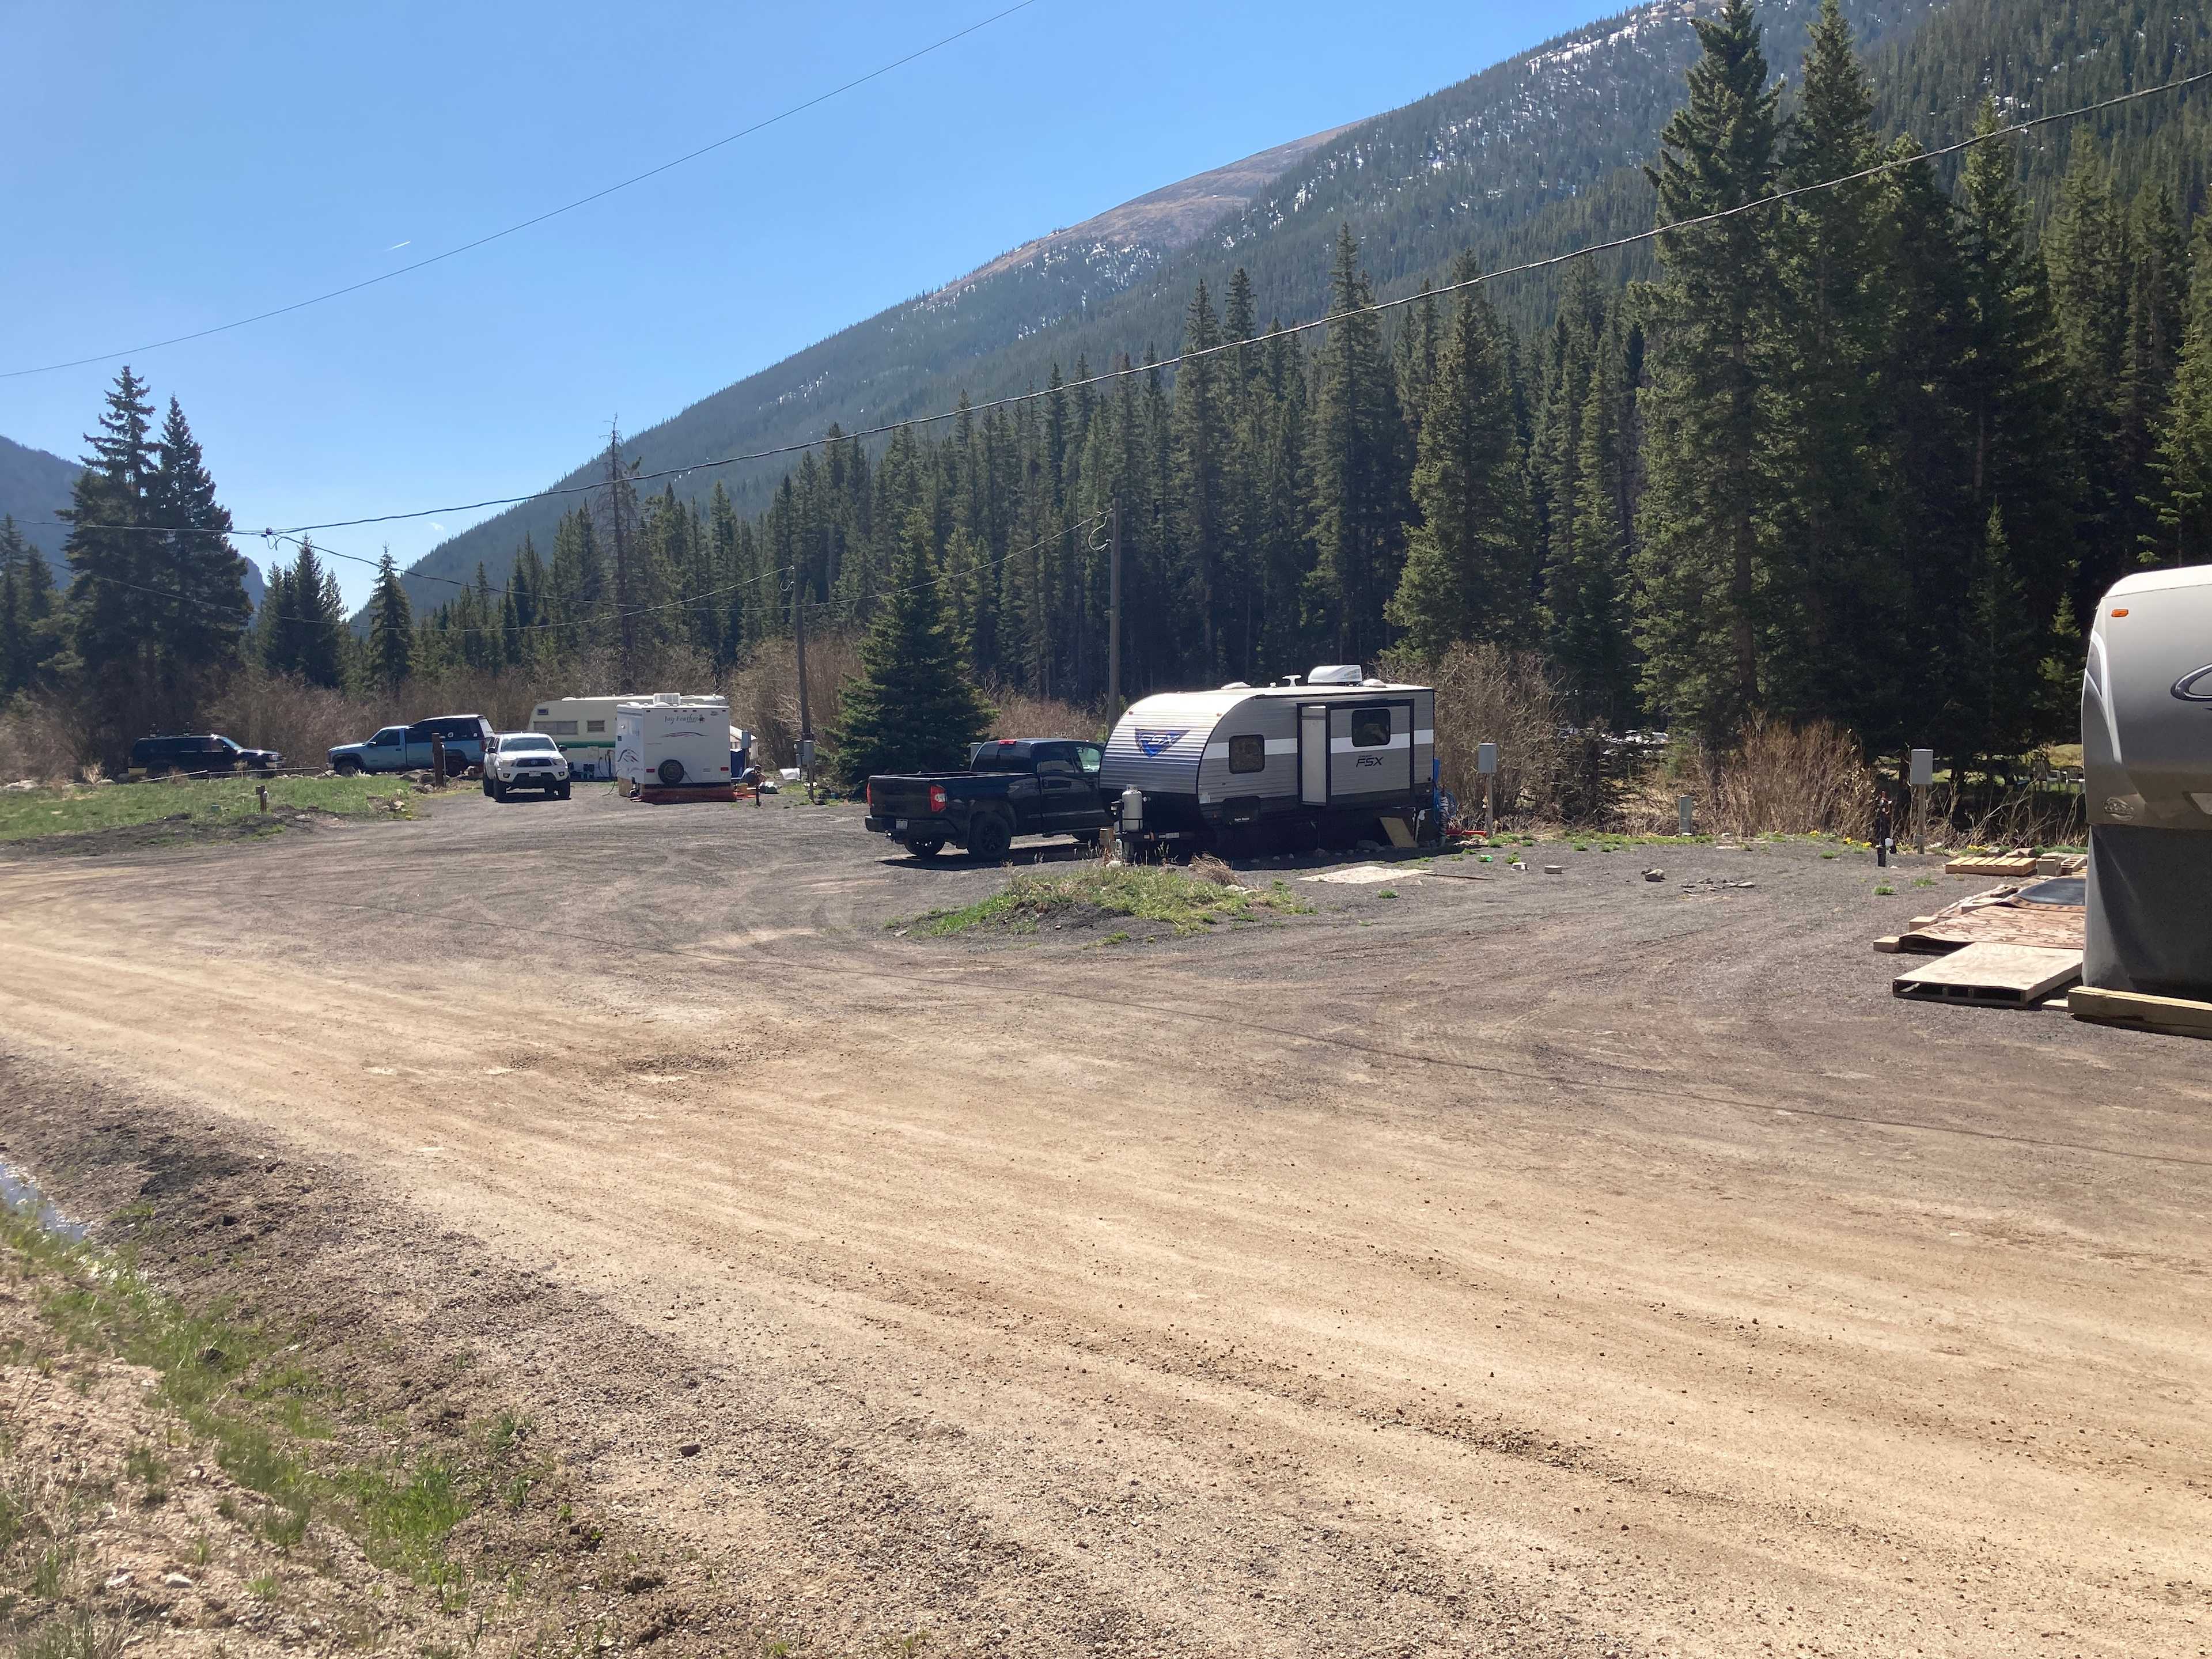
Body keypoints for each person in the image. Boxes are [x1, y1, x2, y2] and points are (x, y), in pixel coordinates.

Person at [1873, 795, 1895, 868]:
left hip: (1885, 824)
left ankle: (1889, 850)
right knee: (1883, 836)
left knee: (1886, 835)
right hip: (1882, 823)